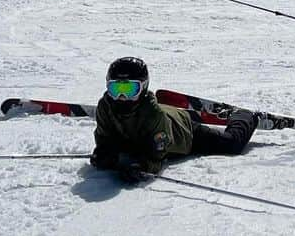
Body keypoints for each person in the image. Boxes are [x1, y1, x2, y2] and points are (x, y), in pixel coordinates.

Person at [90, 57, 258, 180]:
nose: (121, 97)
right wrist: (104, 154)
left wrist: (142, 167)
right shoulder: (105, 107)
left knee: (232, 144)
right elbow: (104, 138)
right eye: (116, 89)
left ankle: (244, 116)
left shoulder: (152, 114)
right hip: (144, 134)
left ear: (144, 87)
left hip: (185, 132)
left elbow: (157, 154)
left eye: (130, 90)